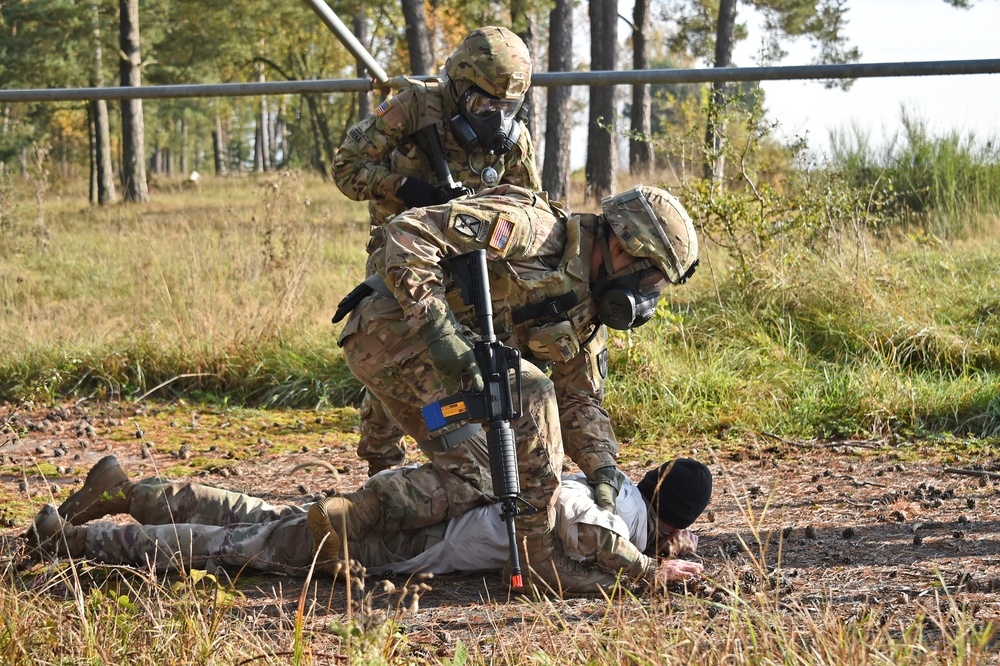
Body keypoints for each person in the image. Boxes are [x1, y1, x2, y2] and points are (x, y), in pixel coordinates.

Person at [323, 182, 699, 593]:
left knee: (484, 480)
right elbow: (408, 230)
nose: (647, 297)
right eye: (650, 281)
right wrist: (441, 332)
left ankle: (351, 517)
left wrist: (602, 466)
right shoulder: (534, 230)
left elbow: (580, 400)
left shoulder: (588, 312)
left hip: (434, 375)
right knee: (531, 392)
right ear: (626, 249)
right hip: (389, 331)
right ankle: (537, 555)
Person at [23, 455, 711, 595]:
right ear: (661, 521)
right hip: (397, 536)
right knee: (242, 547)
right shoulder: (598, 512)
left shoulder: (586, 479)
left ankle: (125, 489)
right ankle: (75, 541)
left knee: (255, 515)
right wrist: (649, 572)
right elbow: (583, 539)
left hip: (401, 504)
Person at [333, 26, 542, 478]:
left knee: (482, 352)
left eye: (508, 107)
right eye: (485, 103)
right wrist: (405, 188)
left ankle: (486, 456)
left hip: (472, 255)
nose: (497, 116)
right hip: (399, 246)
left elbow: (532, 208)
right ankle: (382, 461)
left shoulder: (514, 140)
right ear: (460, 86)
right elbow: (346, 167)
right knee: (398, 342)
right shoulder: (414, 106)